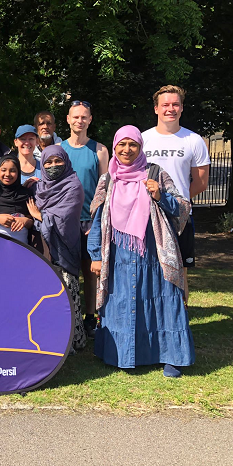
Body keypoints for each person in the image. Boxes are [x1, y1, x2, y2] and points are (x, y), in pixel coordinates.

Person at [88, 125, 194, 377]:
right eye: (122, 145)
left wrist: (160, 196)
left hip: (154, 253)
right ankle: (122, 354)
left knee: (163, 300)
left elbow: (183, 208)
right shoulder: (108, 179)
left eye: (132, 144)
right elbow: (97, 218)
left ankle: (171, 357)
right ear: (114, 147)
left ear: (140, 147)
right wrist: (96, 256)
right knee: (122, 300)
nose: (127, 150)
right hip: (119, 255)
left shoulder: (156, 174)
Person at [142, 85, 210, 300]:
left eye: (175, 104)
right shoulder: (142, 139)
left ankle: (180, 321)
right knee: (148, 268)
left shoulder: (194, 140)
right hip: (145, 215)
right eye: (165, 105)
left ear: (181, 108)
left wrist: (175, 203)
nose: (170, 109)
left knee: (180, 271)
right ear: (156, 109)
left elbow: (200, 183)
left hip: (178, 217)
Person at [26, 145, 87, 352]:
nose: (53, 166)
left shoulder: (73, 186)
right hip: (44, 250)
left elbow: (65, 219)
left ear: (66, 161)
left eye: (58, 161)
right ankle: (53, 339)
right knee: (48, 297)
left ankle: (74, 340)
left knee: (68, 295)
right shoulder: (40, 187)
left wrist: (39, 217)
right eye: (48, 162)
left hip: (64, 249)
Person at [61, 100, 109, 339]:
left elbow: (105, 189)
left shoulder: (99, 150)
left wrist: (98, 221)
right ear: (68, 119)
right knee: (67, 274)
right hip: (66, 222)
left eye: (84, 117)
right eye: (75, 117)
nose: (80, 121)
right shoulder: (59, 149)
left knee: (91, 273)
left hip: (90, 221)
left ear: (90, 120)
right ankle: (69, 317)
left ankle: (90, 318)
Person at [0, 154, 34, 244]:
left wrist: (25, 221)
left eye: (13, 170)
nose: (7, 174)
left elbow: (33, 220)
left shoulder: (26, 194)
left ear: (19, 172)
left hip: (21, 249)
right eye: (3, 170)